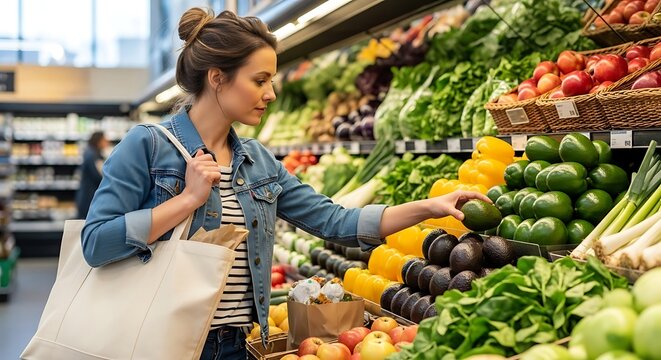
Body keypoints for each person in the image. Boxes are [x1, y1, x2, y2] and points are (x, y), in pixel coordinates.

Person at [81, 8, 490, 360]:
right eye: (259, 80)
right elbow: (96, 243)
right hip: (162, 343)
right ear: (218, 78)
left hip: (240, 344)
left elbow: (337, 222)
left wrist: (432, 206)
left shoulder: (258, 162)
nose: (271, 93)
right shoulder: (148, 147)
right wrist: (188, 199)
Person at [75, 131, 109, 219]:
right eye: (104, 140)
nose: (107, 142)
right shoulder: (92, 155)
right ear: (98, 141)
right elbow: (98, 176)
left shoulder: (93, 153)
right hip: (88, 197)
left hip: (88, 196)